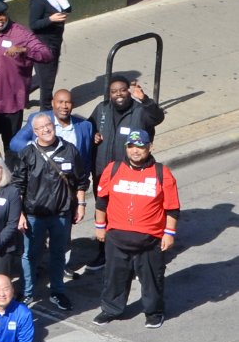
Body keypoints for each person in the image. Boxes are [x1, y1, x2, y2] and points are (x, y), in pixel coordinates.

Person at [92, 129, 179, 328]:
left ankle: (154, 312)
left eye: (140, 146)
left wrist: (169, 233)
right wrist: (99, 227)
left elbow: (172, 207)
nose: (135, 151)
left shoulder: (161, 172)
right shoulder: (113, 168)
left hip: (150, 240)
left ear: (150, 147)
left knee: (152, 280)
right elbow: (101, 201)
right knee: (114, 277)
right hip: (116, 238)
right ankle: (111, 309)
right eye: (131, 146)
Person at [87, 76, 165, 272]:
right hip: (103, 174)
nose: (118, 94)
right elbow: (89, 125)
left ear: (128, 91)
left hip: (130, 177)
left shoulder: (140, 111)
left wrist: (145, 99)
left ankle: (134, 260)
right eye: (114, 91)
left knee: (129, 217)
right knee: (103, 213)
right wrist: (93, 133)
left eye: (122, 90)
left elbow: (158, 118)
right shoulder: (102, 109)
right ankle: (104, 252)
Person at [14, 112, 87, 310]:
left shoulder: (70, 150)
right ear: (35, 132)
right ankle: (27, 293)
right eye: (41, 127)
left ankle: (58, 291)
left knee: (58, 254)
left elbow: (81, 180)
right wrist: (19, 214)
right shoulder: (27, 154)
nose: (46, 129)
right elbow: (18, 186)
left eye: (49, 125)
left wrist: (81, 204)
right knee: (30, 255)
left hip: (61, 214)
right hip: (33, 216)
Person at [0, 0, 52, 147]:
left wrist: (25, 50)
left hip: (12, 102)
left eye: (1, 14)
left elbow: (46, 55)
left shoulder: (21, 34)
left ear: (6, 14)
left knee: (12, 147)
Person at [28, 0, 71, 110]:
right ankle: (46, 108)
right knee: (48, 78)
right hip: (44, 44)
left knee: (47, 74)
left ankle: (21, 93)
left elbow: (68, 9)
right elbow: (33, 24)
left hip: (55, 41)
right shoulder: (38, 1)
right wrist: (50, 19)